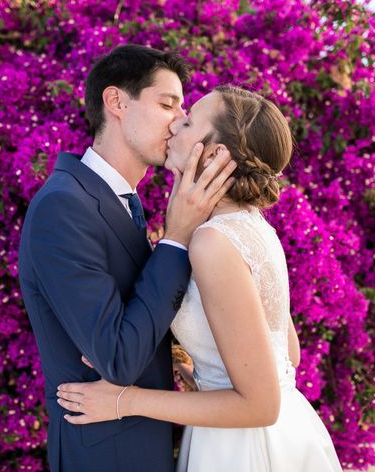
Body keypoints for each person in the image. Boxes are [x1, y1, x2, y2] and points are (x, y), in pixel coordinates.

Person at [56, 86, 344, 472]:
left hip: (242, 450)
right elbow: (285, 354)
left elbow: (260, 404)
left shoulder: (214, 242)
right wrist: (203, 371)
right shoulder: (250, 225)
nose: (176, 122)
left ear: (214, 153)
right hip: (277, 434)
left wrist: (125, 401)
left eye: (189, 120)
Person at [17, 45, 237, 472]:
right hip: (104, 453)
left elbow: (134, 324)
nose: (178, 121)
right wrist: (175, 240)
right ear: (116, 102)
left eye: (183, 108)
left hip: (142, 441)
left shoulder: (122, 202)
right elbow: (118, 357)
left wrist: (175, 354)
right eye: (166, 103)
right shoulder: (63, 207)